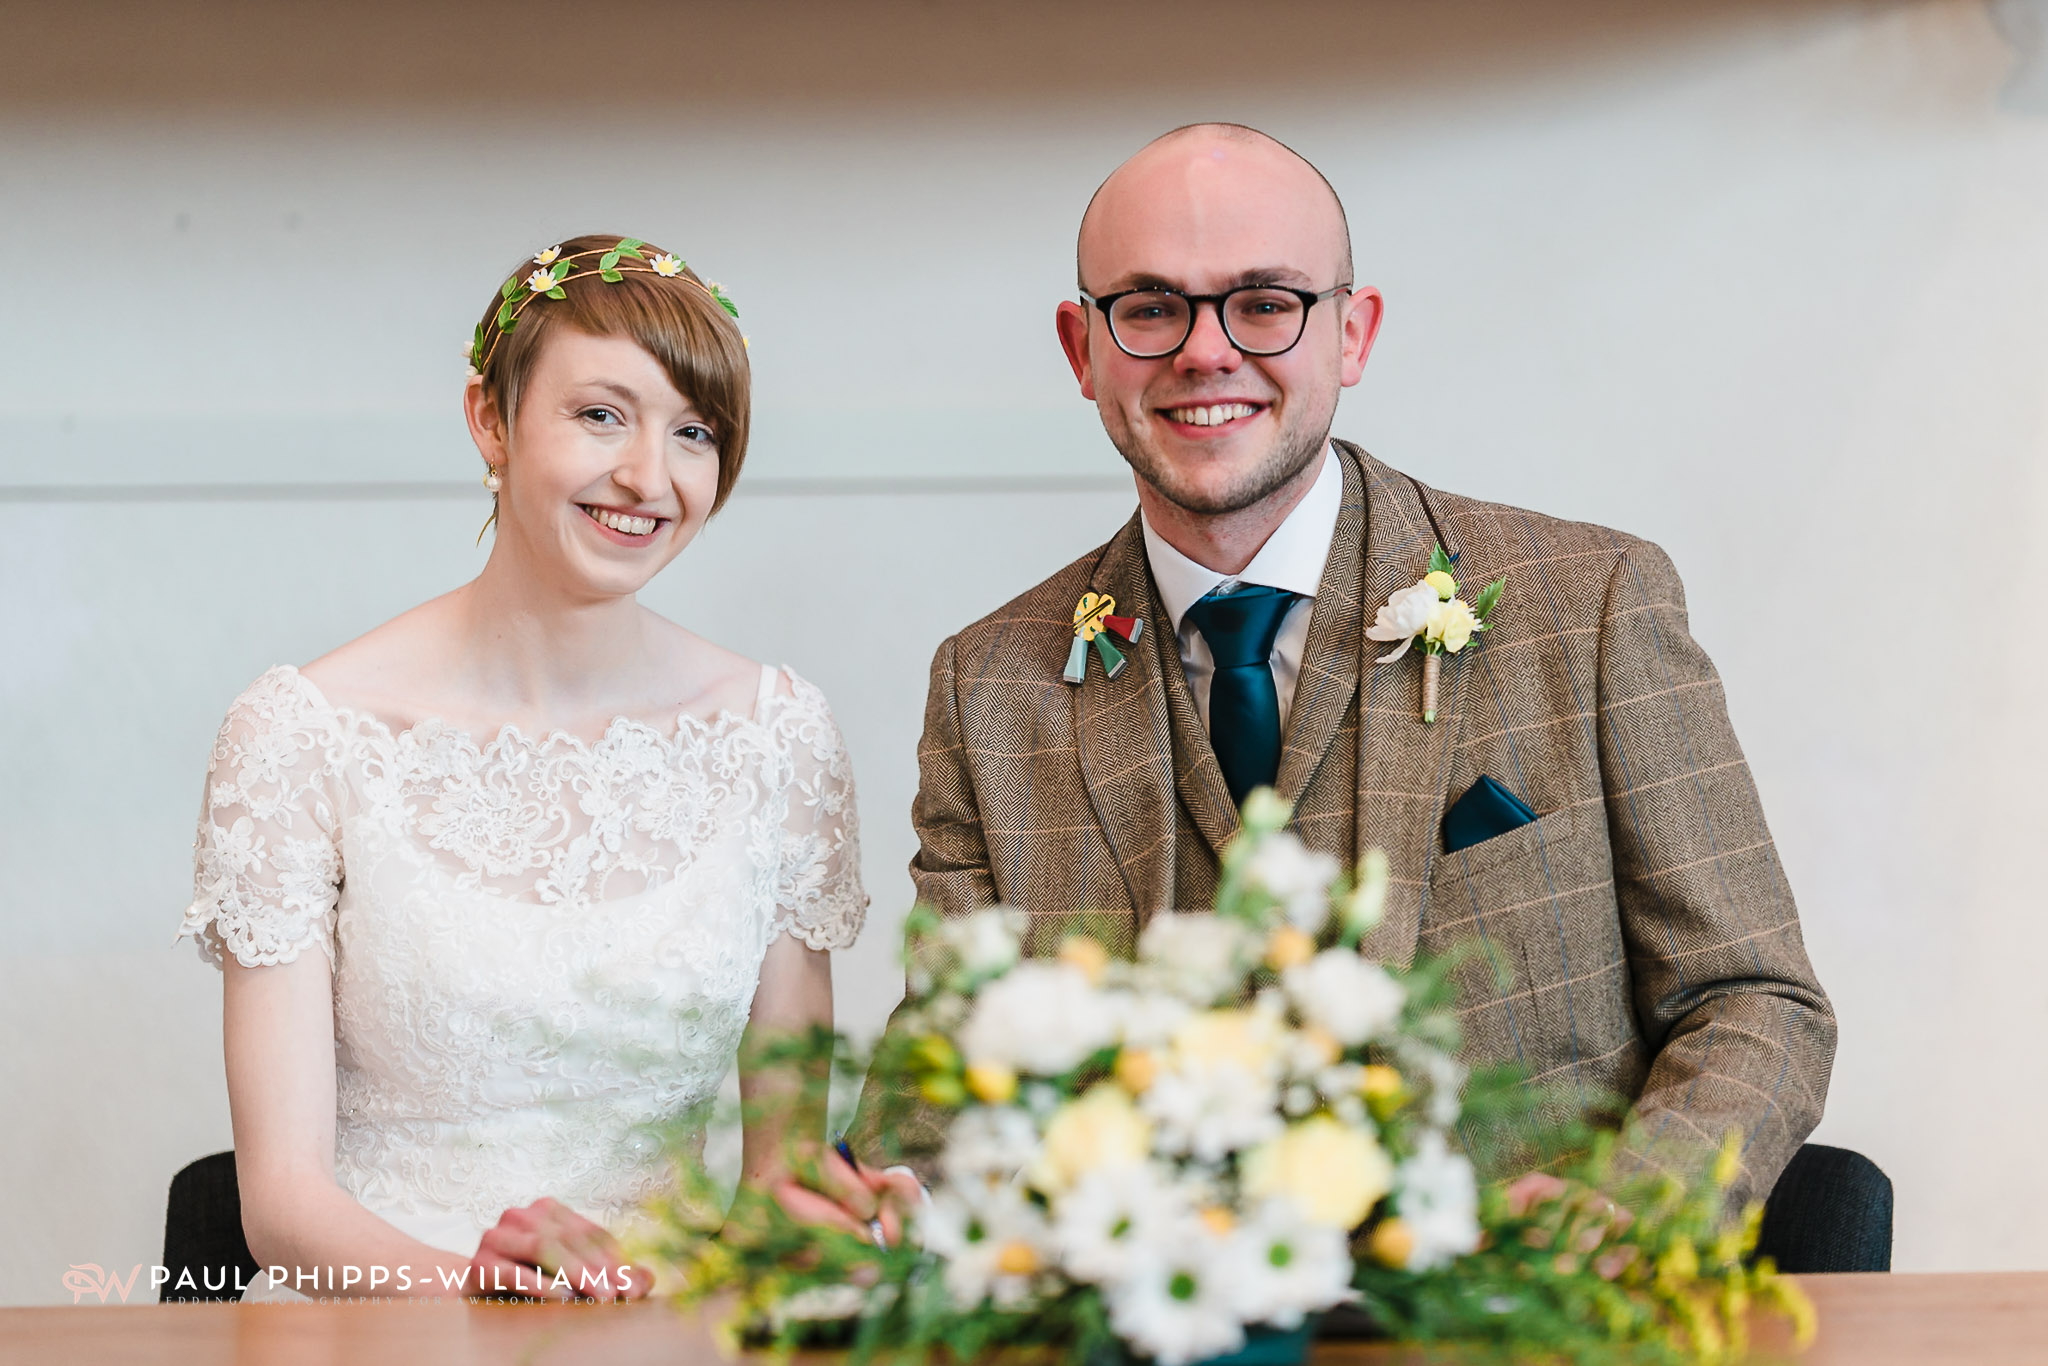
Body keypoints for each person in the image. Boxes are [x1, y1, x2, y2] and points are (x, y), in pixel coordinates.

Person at [852, 125, 1835, 1210]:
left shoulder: (1591, 605)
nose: (1203, 351)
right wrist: (890, 1206)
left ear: (1351, 334)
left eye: (1264, 301)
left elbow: (1752, 1000)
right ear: (1081, 350)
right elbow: (934, 1098)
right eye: (1148, 307)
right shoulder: (987, 686)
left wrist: (1628, 1209)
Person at [179, 234, 892, 1300]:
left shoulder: (778, 735)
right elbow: (281, 1204)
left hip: (666, 1332)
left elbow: (779, 1176)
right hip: (383, 1330)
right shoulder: (301, 731)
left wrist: (847, 1221)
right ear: (489, 420)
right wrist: (477, 1291)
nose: (648, 477)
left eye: (693, 432)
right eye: (600, 414)